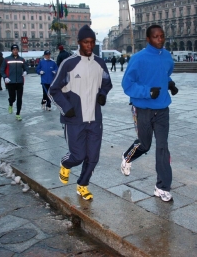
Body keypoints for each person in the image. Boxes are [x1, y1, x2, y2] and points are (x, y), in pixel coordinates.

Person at [48, 24, 113, 200]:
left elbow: (107, 83)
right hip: (74, 119)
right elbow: (53, 90)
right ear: (79, 43)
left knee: (93, 157)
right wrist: (66, 108)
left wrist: (102, 94)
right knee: (78, 155)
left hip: (95, 119)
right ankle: (65, 163)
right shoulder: (68, 64)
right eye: (86, 42)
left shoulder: (100, 63)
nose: (89, 46)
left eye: (92, 42)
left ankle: (82, 185)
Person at [120, 24, 178, 202]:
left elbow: (164, 74)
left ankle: (162, 187)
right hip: (143, 109)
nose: (160, 40)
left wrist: (170, 84)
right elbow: (127, 85)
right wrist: (147, 92)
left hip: (162, 109)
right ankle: (127, 157)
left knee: (162, 147)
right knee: (144, 145)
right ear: (148, 39)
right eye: (156, 37)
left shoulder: (167, 57)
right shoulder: (138, 59)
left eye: (162, 36)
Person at [0, 44, 28, 121]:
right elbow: (2, 70)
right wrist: (5, 77)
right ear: (12, 51)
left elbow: (26, 67)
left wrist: (25, 71)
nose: (15, 51)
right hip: (11, 82)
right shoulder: (6, 59)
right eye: (14, 50)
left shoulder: (22, 59)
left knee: (19, 98)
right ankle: (10, 103)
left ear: (18, 50)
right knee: (13, 98)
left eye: (16, 50)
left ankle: (18, 113)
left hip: (19, 81)